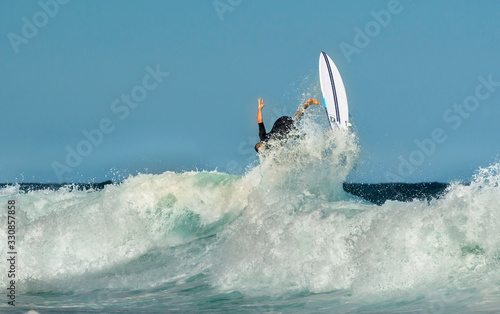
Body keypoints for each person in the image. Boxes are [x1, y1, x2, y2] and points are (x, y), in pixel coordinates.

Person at [255, 97, 320, 152]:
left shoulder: (263, 139)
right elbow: (259, 121)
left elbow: (260, 120)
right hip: (282, 124)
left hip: (282, 126)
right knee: (296, 125)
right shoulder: (267, 144)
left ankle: (309, 103)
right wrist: (259, 109)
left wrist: (259, 109)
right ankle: (308, 103)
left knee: (297, 125)